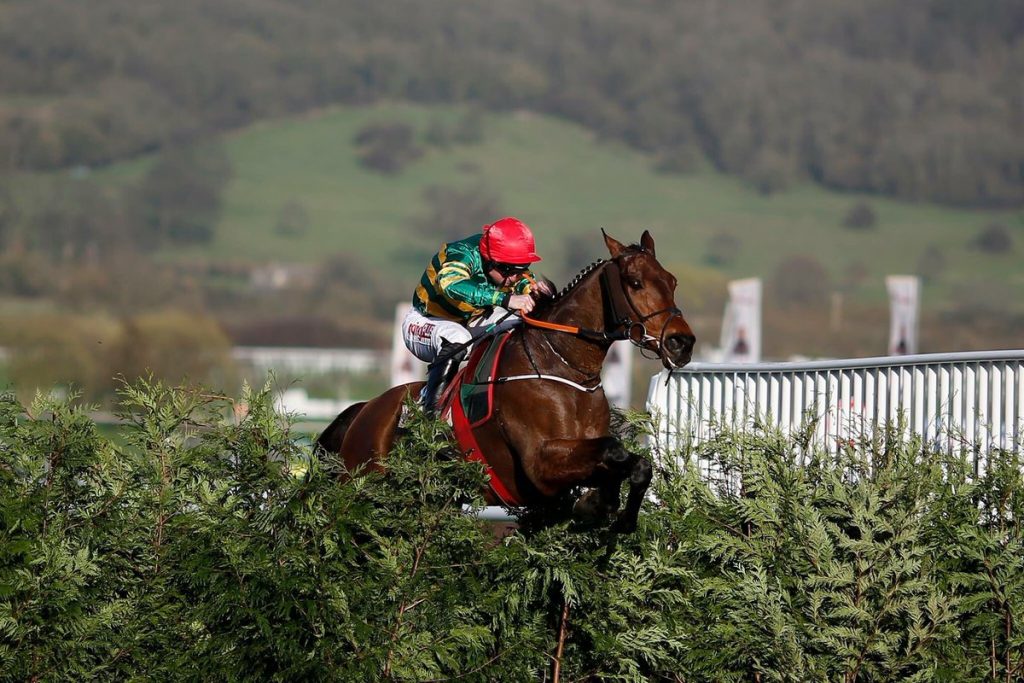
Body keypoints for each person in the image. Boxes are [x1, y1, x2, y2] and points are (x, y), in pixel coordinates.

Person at [402, 216, 554, 413]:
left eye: (522, 268)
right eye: (509, 270)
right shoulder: (462, 253)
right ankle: (430, 414)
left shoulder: (507, 268)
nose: (514, 277)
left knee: (523, 323)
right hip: (426, 320)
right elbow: (451, 285)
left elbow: (521, 280)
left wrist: (533, 291)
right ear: (490, 261)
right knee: (458, 337)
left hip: (472, 320)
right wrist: (504, 299)